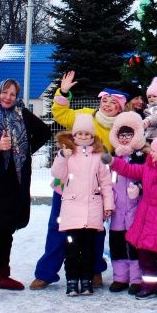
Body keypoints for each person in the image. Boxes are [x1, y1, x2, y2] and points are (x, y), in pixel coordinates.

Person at [30, 72, 128, 290]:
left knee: (94, 232)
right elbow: (61, 113)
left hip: (95, 190)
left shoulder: (121, 128)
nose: (108, 105)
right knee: (58, 228)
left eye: (114, 103)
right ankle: (46, 272)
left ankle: (94, 271)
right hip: (68, 187)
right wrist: (63, 92)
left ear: (121, 107)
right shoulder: (86, 116)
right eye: (105, 101)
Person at [0, 79, 52, 298]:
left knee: (7, 228)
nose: (8, 97)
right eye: (4, 93)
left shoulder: (21, 113)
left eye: (12, 94)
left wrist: (22, 151)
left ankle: (2, 274)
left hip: (15, 179)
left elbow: (44, 132)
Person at [103, 133, 157, 302]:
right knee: (145, 258)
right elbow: (129, 169)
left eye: (154, 151)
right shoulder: (148, 166)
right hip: (145, 219)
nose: (151, 153)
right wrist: (113, 161)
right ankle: (149, 286)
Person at [51, 114, 114, 296]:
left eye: (88, 134)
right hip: (72, 210)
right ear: (74, 135)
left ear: (92, 136)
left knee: (89, 250)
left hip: (93, 209)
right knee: (71, 249)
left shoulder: (98, 156)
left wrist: (107, 205)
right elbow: (57, 174)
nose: (84, 137)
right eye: (80, 134)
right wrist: (62, 156)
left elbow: (106, 182)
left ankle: (86, 281)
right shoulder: (68, 153)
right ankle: (72, 281)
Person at [107, 111, 148, 295]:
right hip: (117, 210)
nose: (124, 139)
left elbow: (149, 178)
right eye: (121, 135)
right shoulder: (111, 157)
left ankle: (136, 279)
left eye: (128, 135)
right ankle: (120, 277)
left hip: (136, 209)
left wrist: (139, 187)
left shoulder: (142, 156)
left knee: (135, 244)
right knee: (117, 244)